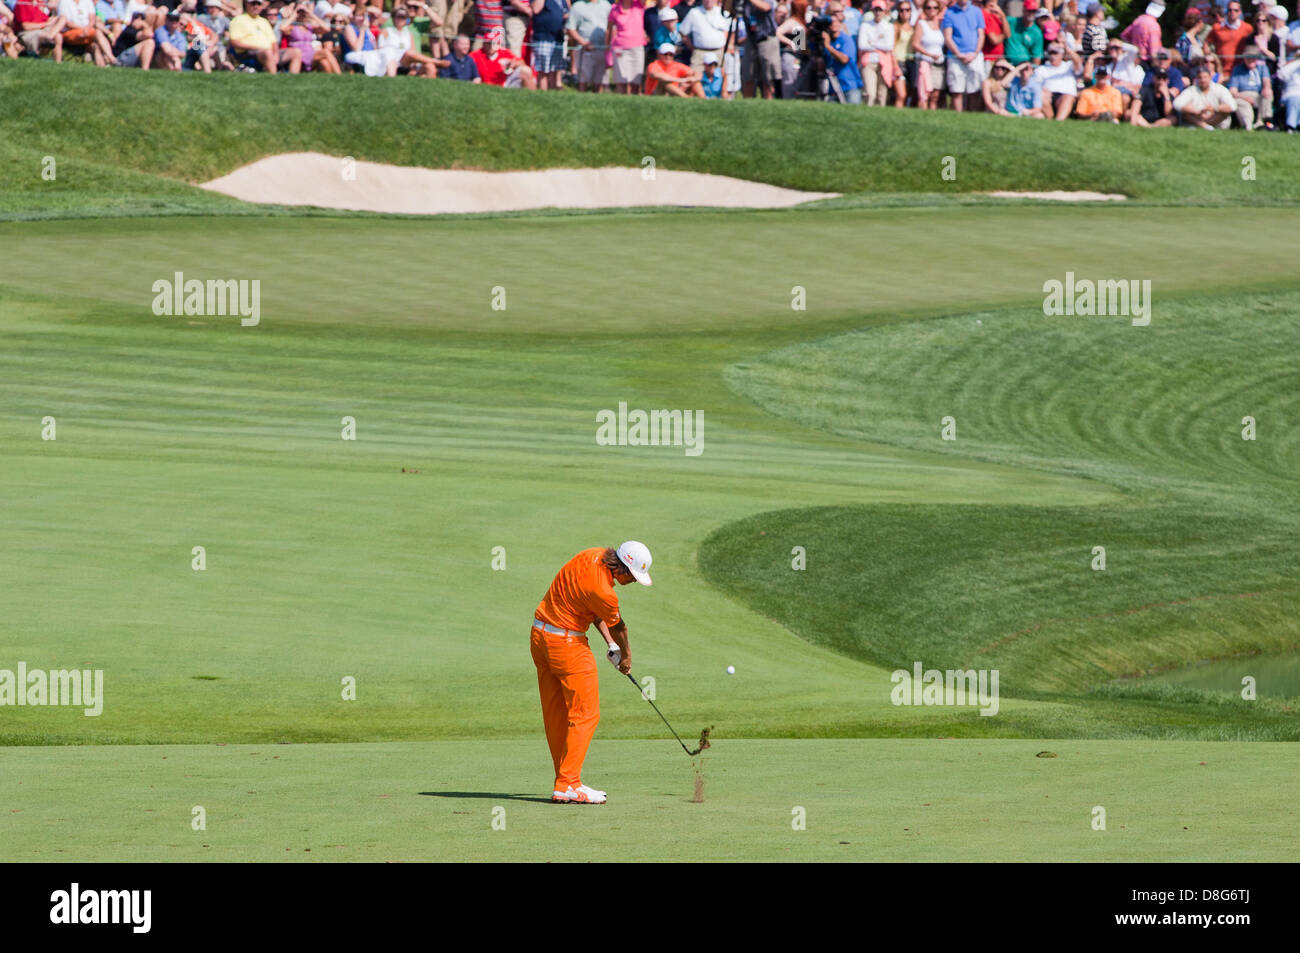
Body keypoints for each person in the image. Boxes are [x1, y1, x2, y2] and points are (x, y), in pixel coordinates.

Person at [531, 542, 652, 805]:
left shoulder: (592, 555)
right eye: (632, 577)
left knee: (558, 714)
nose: (631, 582)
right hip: (566, 645)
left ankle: (564, 781)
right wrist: (626, 658)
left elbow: (591, 607)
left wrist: (609, 644)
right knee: (586, 713)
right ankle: (568, 784)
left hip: (539, 636)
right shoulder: (606, 592)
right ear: (623, 570)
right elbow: (620, 627)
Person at [230, 0, 299, 71]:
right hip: (248, 53)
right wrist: (256, 47)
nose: (256, 6)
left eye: (258, 4)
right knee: (267, 52)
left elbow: (273, 42)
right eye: (253, 3)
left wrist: (275, 54)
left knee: (295, 52)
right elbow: (235, 42)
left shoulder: (264, 21)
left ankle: (293, 80)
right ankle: (274, 79)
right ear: (246, 4)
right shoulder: (238, 20)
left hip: (268, 52)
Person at [941, 0, 984, 111]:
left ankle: (971, 117)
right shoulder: (950, 12)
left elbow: (981, 35)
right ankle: (958, 117)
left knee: (974, 90)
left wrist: (974, 53)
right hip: (956, 57)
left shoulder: (977, 11)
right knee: (956, 90)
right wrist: (959, 54)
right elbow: (948, 37)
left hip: (975, 55)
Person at [470, 23, 537, 84]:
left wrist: (514, 64)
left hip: (505, 83)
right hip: (483, 84)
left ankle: (533, 96)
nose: (491, 46)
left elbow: (521, 62)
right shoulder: (475, 55)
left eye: (494, 43)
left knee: (526, 71)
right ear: (484, 44)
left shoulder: (504, 53)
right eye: (488, 43)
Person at [823, 0, 863, 101]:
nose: (839, 15)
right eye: (836, 12)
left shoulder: (845, 38)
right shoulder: (825, 38)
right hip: (833, 86)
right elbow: (803, 50)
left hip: (849, 84)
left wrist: (827, 46)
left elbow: (845, 59)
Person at [566, 0, 610, 91]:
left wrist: (608, 45)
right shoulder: (577, 6)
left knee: (599, 80)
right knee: (583, 79)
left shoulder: (606, 5)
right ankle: (582, 101)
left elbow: (610, 26)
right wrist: (583, 43)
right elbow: (570, 28)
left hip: (602, 48)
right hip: (584, 49)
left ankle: (598, 102)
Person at [741, 0, 781, 98]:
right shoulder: (744, 3)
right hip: (751, 40)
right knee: (748, 77)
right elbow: (729, 10)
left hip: (766, 39)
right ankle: (747, 106)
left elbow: (766, 7)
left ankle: (769, 106)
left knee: (768, 78)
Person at [858, 0, 894, 104]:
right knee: (870, 93)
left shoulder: (888, 26)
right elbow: (862, 45)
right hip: (868, 62)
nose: (878, 13)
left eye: (880, 10)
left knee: (882, 93)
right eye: (876, 10)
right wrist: (879, 45)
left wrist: (872, 43)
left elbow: (889, 46)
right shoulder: (866, 26)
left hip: (884, 62)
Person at [607, 0, 648, 93]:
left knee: (636, 81)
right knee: (621, 81)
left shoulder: (639, 5)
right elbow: (609, 28)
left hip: (637, 46)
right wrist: (607, 47)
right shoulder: (614, 8)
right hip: (619, 48)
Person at [1035, 39, 1081, 118]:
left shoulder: (1069, 66)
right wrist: (1042, 89)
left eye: (1055, 53)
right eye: (1050, 53)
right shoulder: (1041, 69)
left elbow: (1077, 60)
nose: (1053, 56)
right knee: (1039, 94)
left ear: (1061, 55)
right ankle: (1050, 119)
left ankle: (1059, 121)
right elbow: (1035, 84)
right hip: (1048, 97)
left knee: (1068, 97)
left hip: (1064, 96)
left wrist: (1066, 48)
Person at [1227, 45, 1272, 126]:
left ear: (1256, 58)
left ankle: (1264, 122)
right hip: (1242, 95)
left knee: (1268, 92)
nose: (1250, 59)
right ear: (1244, 58)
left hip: (1258, 95)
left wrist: (1266, 88)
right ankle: (1248, 126)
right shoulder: (1237, 69)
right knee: (1244, 107)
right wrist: (1246, 98)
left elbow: (1266, 81)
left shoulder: (1262, 68)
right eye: (1248, 57)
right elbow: (1233, 91)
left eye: (1253, 57)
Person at [59, 0, 114, 64]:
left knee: (96, 45)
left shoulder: (87, 2)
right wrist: (83, 29)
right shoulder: (64, 2)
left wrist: (86, 29)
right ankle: (111, 58)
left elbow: (92, 19)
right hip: (70, 32)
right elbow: (67, 22)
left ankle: (103, 67)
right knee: (97, 33)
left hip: (88, 31)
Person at [679, 0, 729, 71]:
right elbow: (683, 32)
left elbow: (728, 31)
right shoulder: (694, 12)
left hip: (718, 53)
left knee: (720, 78)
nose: (708, 1)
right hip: (699, 53)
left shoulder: (723, 13)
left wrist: (724, 47)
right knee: (694, 78)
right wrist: (693, 48)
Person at [912, 0, 945, 107]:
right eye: (929, 7)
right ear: (925, 9)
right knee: (924, 93)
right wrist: (929, 55)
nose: (932, 10)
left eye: (935, 7)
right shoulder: (921, 24)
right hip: (926, 62)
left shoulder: (941, 24)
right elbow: (915, 44)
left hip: (939, 63)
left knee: (935, 94)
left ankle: (932, 117)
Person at [1208, 0, 1254, 74]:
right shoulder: (1217, 27)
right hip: (1221, 70)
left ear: (1240, 12)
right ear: (1227, 11)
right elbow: (1207, 43)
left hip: (1241, 71)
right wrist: (1210, 56)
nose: (1232, 12)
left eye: (1236, 10)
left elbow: (1253, 46)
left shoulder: (1247, 28)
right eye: (1230, 10)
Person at [890, 0, 914, 106]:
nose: (904, 12)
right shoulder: (895, 27)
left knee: (909, 94)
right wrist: (895, 67)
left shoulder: (913, 28)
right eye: (901, 10)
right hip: (898, 62)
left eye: (907, 10)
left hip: (910, 62)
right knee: (901, 94)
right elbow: (891, 49)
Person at [1004, 0, 1042, 65]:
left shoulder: (1037, 32)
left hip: (1024, 68)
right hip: (1007, 65)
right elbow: (997, 19)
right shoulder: (1011, 22)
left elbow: (1037, 56)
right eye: (1029, 10)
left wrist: (1033, 69)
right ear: (1023, 10)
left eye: (1034, 11)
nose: (1031, 13)